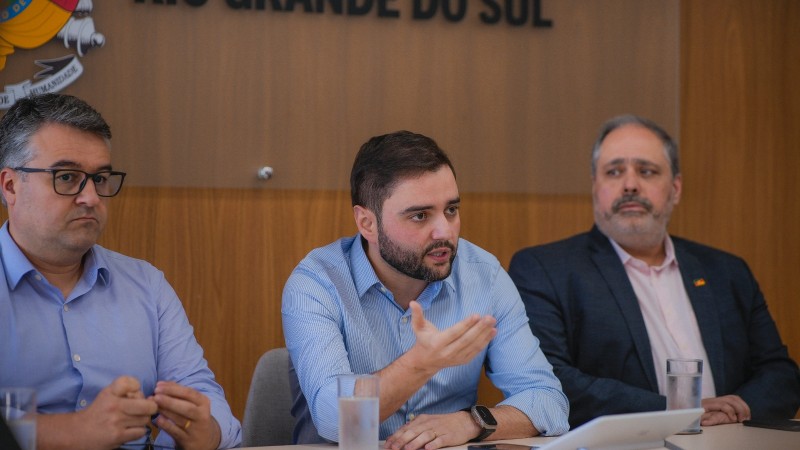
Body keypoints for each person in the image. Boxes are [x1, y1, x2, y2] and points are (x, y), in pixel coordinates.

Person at [508, 114, 800, 428]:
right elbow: (552, 380)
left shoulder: (727, 271)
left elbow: (781, 375)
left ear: (675, 188)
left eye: (646, 171)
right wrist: (680, 411)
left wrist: (739, 408)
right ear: (595, 187)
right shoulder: (546, 270)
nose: (630, 184)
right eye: (614, 171)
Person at [282, 131, 569, 449]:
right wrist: (422, 363)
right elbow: (334, 420)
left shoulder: (484, 275)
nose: (445, 231)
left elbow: (549, 403)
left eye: (451, 210)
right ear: (367, 224)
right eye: (420, 216)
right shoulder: (317, 283)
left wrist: (471, 422)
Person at [0, 93, 242, 450]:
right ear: (10, 186)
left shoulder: (146, 284)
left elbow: (202, 394)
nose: (91, 198)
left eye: (100, 179)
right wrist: (75, 431)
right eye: (67, 177)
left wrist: (209, 432)